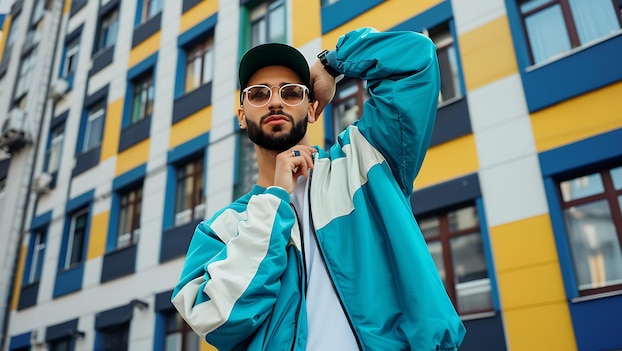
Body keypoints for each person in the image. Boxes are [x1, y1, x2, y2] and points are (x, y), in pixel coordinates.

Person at [172, 27, 466, 350]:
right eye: (259, 94)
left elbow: (416, 58)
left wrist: (331, 65)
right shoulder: (220, 229)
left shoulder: (363, 160)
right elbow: (217, 316)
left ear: (312, 108)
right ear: (242, 116)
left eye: (291, 92)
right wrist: (275, 200)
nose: (275, 102)